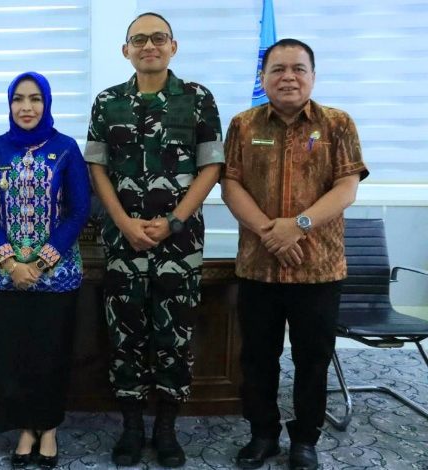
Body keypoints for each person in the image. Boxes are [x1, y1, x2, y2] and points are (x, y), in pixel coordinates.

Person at [84, 12, 224, 468]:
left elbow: (211, 166)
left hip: (178, 245)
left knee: (174, 336)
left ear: (173, 46)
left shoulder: (198, 99)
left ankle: (166, 429)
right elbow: (97, 168)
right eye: (139, 39)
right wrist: (123, 222)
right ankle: (131, 428)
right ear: (125, 50)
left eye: (158, 38)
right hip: (124, 243)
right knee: (125, 335)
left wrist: (175, 221)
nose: (149, 46)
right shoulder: (107, 103)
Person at [222, 38, 368, 470]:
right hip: (259, 266)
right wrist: (271, 233)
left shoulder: (337, 123)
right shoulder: (242, 125)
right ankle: (262, 435)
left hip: (318, 268)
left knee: (312, 360)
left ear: (313, 76)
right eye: (278, 69)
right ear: (263, 77)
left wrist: (297, 226)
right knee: (257, 358)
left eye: (298, 69)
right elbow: (231, 185)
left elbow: (347, 187)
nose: (288, 77)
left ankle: (306, 439)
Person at [0, 71, 91, 468]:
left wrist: (41, 264)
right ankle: (26, 427)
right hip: (5, 277)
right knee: (14, 356)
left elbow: (78, 211)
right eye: (18, 99)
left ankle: (49, 426)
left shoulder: (66, 149)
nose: (26, 107)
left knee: (51, 354)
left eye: (35, 99)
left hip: (56, 277)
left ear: (47, 103)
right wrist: (11, 264)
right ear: (9, 104)